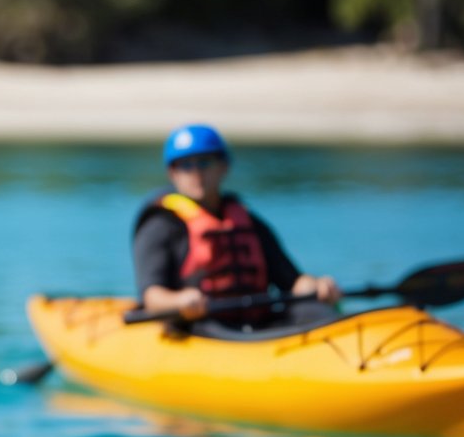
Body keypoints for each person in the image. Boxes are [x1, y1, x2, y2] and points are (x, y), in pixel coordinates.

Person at [132, 123, 341, 329]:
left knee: (312, 309)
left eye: (204, 162)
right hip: (201, 325)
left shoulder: (248, 222)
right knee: (203, 326)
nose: (196, 173)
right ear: (173, 173)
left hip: (257, 323)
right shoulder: (159, 226)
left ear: (224, 166)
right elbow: (152, 298)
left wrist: (317, 287)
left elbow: (293, 282)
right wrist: (179, 301)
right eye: (186, 165)